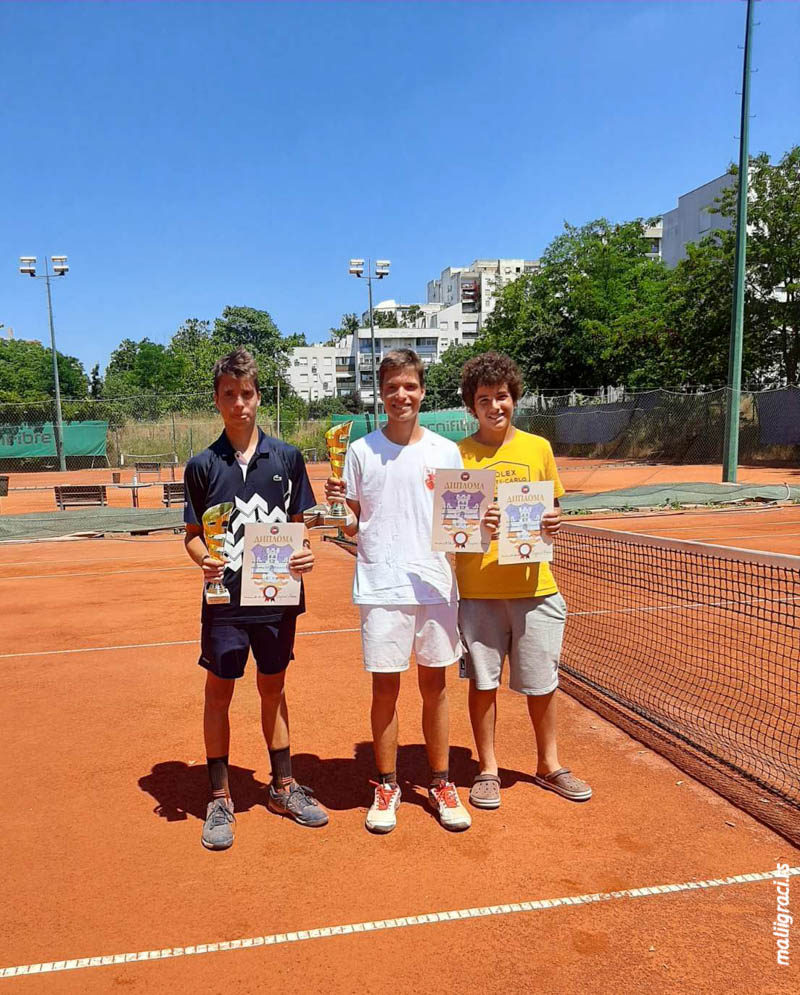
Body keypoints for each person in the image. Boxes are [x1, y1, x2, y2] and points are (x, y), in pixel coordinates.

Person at [183, 348, 327, 850]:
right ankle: (220, 794)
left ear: (258, 397)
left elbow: (299, 526)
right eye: (229, 395)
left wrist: (304, 553)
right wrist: (204, 557)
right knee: (218, 693)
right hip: (224, 602)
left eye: (247, 394)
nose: (239, 403)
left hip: (276, 598)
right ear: (218, 400)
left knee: (274, 688)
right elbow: (192, 534)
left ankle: (282, 784)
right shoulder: (202, 464)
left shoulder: (286, 457)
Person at [325, 349, 471, 834]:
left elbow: (461, 523)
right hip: (381, 586)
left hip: (434, 585)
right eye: (392, 388)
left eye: (409, 386)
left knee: (436, 688)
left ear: (422, 391)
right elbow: (351, 526)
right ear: (380, 394)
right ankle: (386, 784)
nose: (401, 395)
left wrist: (482, 522)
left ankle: (440, 782)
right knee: (385, 689)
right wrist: (336, 510)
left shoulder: (445, 453)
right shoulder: (361, 451)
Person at [456, 352, 591, 810]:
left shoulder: (538, 448)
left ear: (514, 398)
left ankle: (549, 764)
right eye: (484, 399)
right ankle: (488, 768)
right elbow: (448, 524)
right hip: (477, 592)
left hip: (536, 587)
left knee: (542, 683)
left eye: (502, 397)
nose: (495, 406)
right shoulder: (457, 456)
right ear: (471, 407)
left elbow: (553, 508)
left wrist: (554, 520)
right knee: (483, 683)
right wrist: (478, 522)